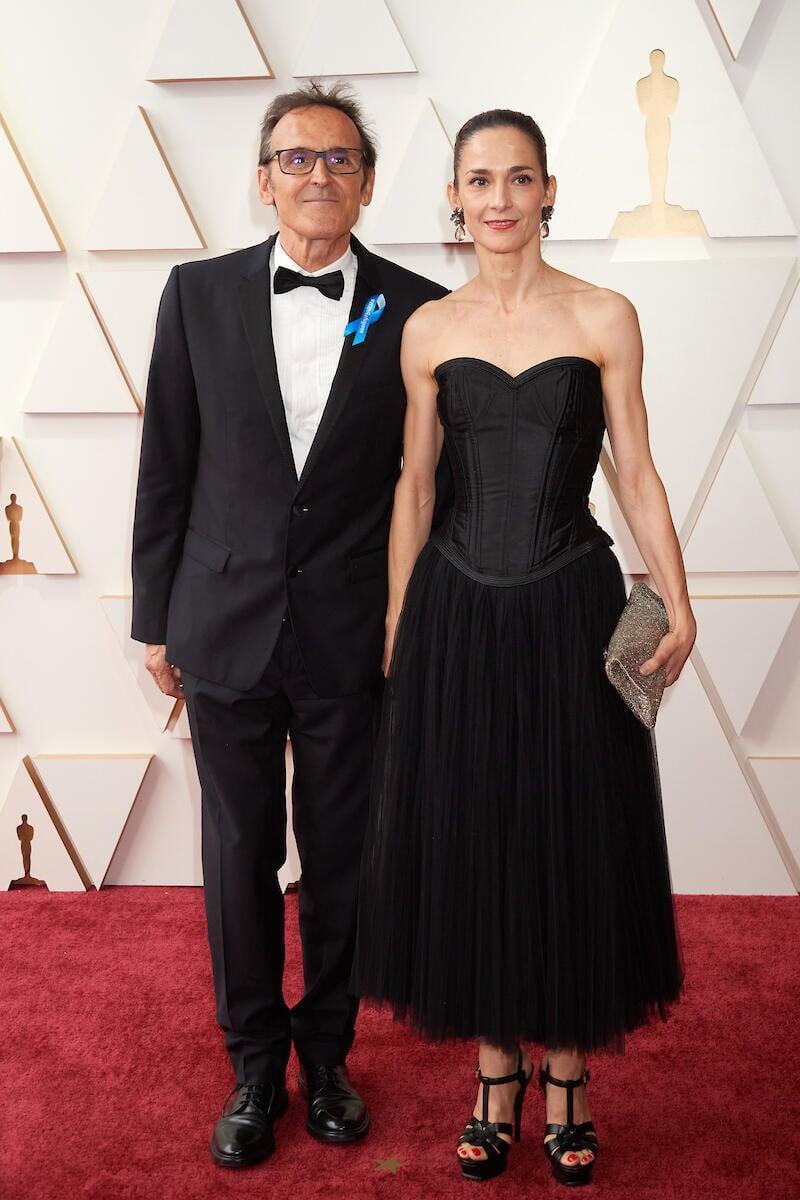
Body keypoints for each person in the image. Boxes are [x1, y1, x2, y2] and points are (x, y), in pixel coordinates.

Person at [351, 108, 695, 1187]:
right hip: (455, 607)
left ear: (549, 191)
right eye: (477, 180)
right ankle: (494, 1074)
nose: (497, 199)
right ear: (452, 198)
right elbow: (413, 486)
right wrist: (402, 624)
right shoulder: (424, 329)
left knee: (570, 828)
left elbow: (633, 473)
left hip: (567, 604)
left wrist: (677, 604)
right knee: (474, 831)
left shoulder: (605, 315)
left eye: (517, 179)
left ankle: (568, 1077)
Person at [130, 80, 452, 1169]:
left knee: (344, 858)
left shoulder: (416, 306)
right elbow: (167, 462)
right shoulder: (196, 294)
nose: (318, 175)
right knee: (236, 854)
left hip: (352, 632)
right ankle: (253, 1065)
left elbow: (431, 483)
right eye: (296, 158)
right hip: (219, 622)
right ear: (263, 178)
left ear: (366, 182)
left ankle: (328, 1059)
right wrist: (151, 618)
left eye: (338, 160)